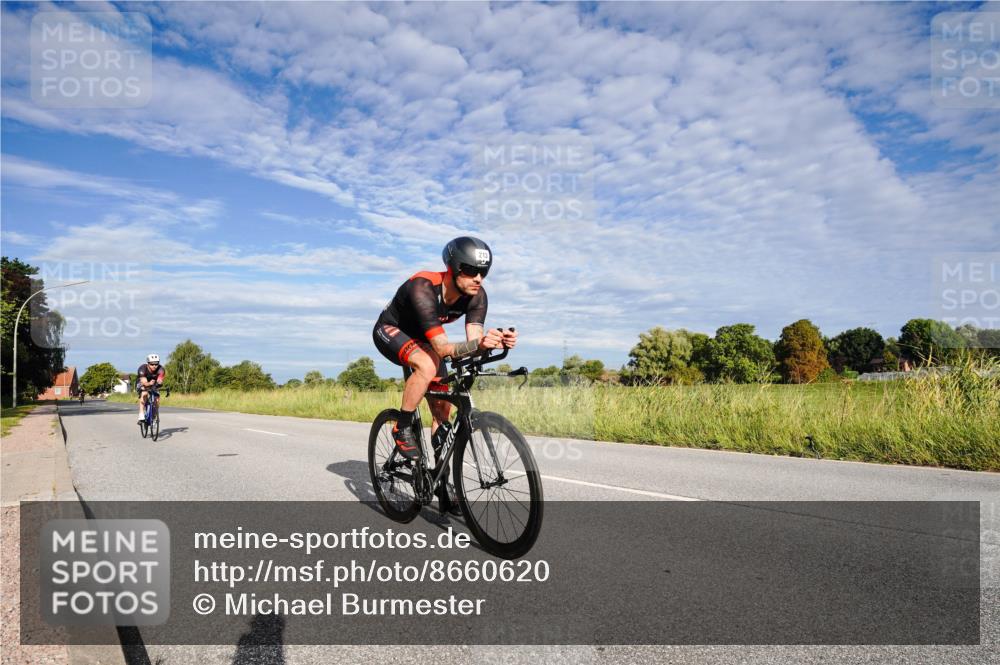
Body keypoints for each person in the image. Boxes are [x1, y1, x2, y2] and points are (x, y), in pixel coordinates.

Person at [373, 236, 517, 463]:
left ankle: (441, 482)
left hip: (427, 341)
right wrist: (478, 345)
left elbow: (473, 344)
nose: (478, 278)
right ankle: (402, 427)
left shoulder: (477, 296)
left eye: (484, 272)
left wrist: (492, 343)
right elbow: (442, 349)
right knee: (426, 365)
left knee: (442, 413)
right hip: (392, 331)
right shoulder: (423, 287)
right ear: (452, 267)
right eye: (470, 270)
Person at [137, 353, 165, 423]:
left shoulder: (161, 369)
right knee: (144, 393)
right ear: (148, 363)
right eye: (152, 364)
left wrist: (159, 381)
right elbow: (144, 382)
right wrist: (149, 384)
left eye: (156, 364)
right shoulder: (142, 369)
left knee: (157, 398)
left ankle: (154, 414)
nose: (154, 366)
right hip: (143, 382)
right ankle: (141, 414)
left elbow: (160, 379)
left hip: (154, 383)